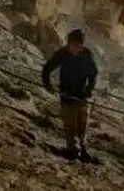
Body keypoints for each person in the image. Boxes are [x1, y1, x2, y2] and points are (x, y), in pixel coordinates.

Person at [42, 29, 98, 161]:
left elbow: (93, 74)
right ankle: (72, 149)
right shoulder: (63, 53)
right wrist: (47, 84)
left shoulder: (87, 56)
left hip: (82, 96)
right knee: (70, 125)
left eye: (76, 46)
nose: (73, 49)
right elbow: (48, 67)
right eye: (71, 45)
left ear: (81, 45)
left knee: (82, 124)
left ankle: (83, 148)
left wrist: (88, 90)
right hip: (67, 96)